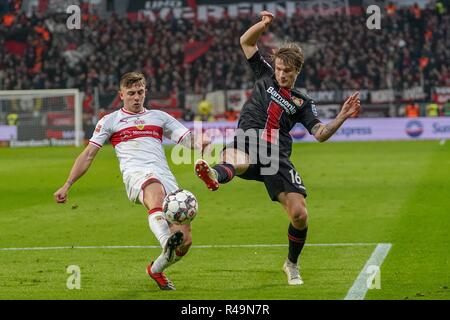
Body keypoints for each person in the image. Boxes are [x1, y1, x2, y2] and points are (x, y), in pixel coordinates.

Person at [194, 12, 361, 285]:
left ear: (297, 72)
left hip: (275, 155)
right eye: (280, 69)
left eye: (287, 71)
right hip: (248, 139)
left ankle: (291, 264)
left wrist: (341, 117)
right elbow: (246, 43)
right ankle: (214, 175)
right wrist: (262, 26)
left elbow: (319, 133)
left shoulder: (302, 102)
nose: (282, 74)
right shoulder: (264, 73)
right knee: (234, 158)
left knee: (299, 214)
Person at [54, 72, 209, 291]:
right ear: (121, 95)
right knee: (154, 191)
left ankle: (155, 269)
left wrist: (201, 141)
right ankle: (166, 241)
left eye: (140, 92)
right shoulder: (110, 121)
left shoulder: (159, 117)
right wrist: (68, 184)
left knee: (184, 242)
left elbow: (187, 139)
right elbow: (89, 154)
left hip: (165, 176)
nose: (136, 97)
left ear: (145, 91)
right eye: (131, 93)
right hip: (137, 175)